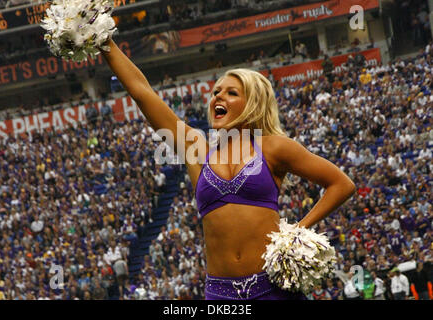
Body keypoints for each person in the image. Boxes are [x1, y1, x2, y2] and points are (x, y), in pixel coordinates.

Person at [100, 39, 356, 300]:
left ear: (253, 103)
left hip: (274, 287)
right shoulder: (196, 148)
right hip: (221, 296)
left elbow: (341, 184)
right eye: (216, 93)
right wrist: (104, 42)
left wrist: (297, 233)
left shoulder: (273, 147)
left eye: (231, 93)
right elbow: (142, 91)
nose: (218, 97)